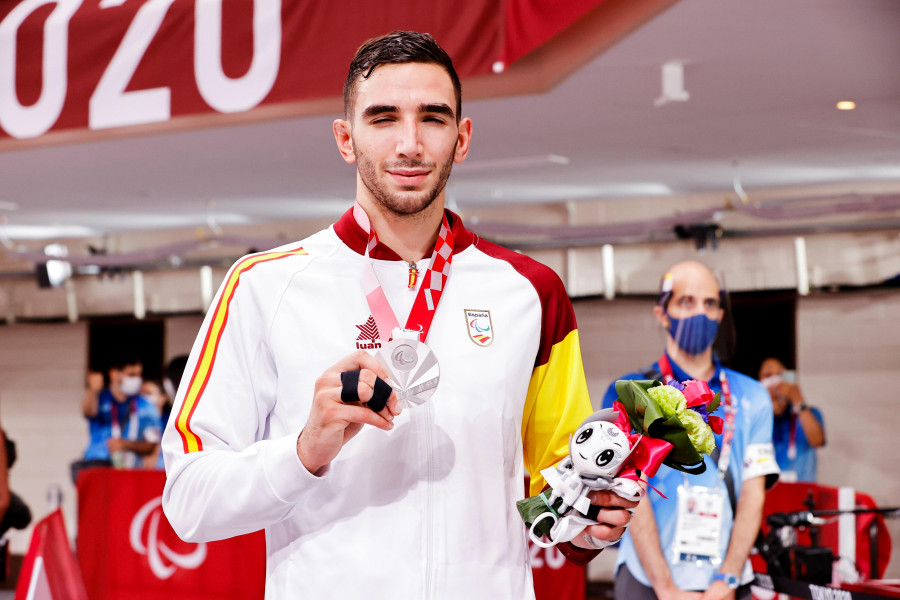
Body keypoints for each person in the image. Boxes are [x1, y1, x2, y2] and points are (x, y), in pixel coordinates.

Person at [161, 30, 637, 599]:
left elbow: (561, 496)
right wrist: (303, 450)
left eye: (432, 118)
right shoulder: (263, 286)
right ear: (346, 138)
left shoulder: (532, 293)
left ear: (461, 139)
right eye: (383, 118)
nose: (409, 143)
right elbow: (188, 501)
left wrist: (594, 519)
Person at [601, 261, 779, 600]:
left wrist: (726, 579)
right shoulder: (630, 393)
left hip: (725, 582)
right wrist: (665, 588)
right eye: (687, 301)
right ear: (662, 313)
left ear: (721, 314)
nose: (701, 312)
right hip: (646, 578)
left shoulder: (753, 396)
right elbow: (628, 492)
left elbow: (753, 495)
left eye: (710, 304)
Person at [81, 358, 162, 470]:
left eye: (139, 375)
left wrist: (125, 445)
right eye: (131, 375)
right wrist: (93, 390)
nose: (136, 379)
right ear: (114, 374)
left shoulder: (146, 404)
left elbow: (152, 444)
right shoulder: (100, 399)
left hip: (131, 469)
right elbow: (88, 412)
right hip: (98, 466)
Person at [758, 357, 825, 482]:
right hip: (767, 496)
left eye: (780, 375)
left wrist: (797, 399)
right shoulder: (754, 418)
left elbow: (817, 441)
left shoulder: (808, 414)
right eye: (768, 376)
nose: (774, 382)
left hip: (801, 496)